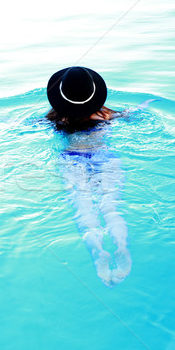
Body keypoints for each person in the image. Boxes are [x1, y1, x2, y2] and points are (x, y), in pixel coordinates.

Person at [46, 66, 131, 286]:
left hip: (72, 159)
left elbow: (18, 125)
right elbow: (132, 115)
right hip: (105, 157)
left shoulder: (57, 119)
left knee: (82, 206)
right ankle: (121, 247)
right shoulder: (108, 115)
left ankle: (98, 252)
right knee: (111, 206)